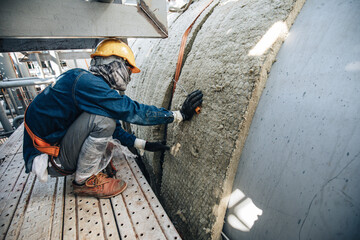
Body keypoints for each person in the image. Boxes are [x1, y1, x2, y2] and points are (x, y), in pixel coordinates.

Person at [23, 38, 203, 199]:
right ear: (114, 63)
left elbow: (115, 128)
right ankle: (84, 182)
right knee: (103, 122)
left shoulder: (82, 80)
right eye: (128, 69)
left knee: (105, 122)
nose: (129, 76)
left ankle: (83, 176)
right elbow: (130, 110)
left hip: (48, 151)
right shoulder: (87, 84)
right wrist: (178, 115)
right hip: (49, 158)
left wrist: (144, 144)